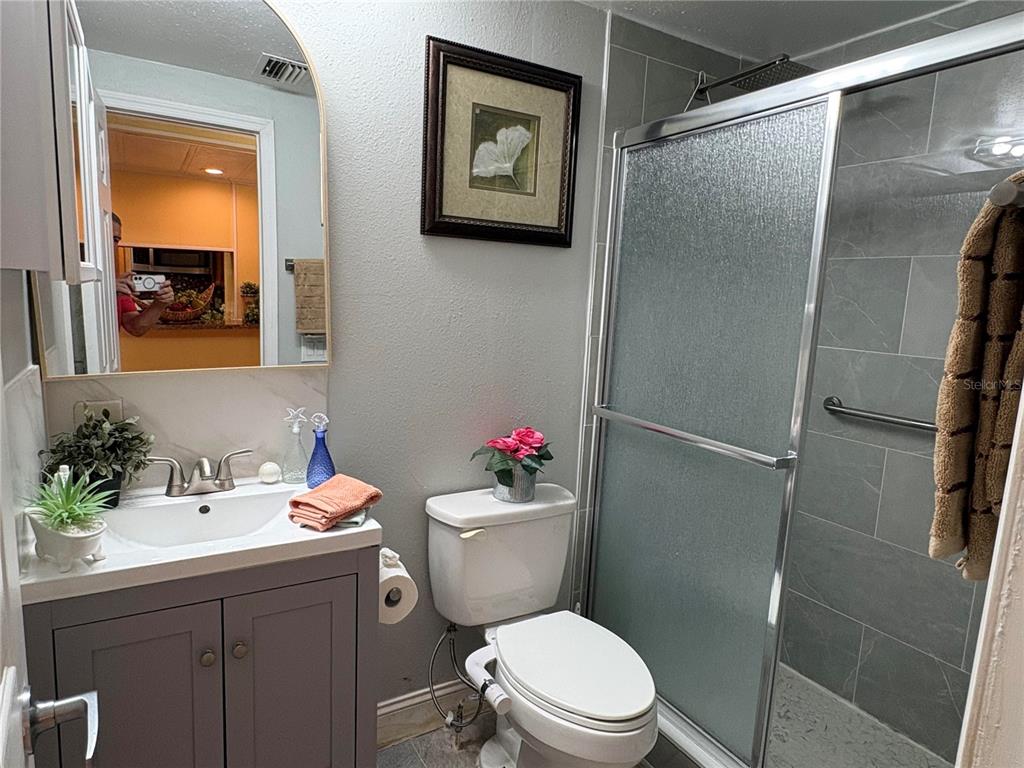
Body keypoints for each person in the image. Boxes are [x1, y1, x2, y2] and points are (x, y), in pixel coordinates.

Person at [112, 213, 174, 336]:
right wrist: (105, 289)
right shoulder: (73, 272)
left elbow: (136, 328)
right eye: (102, 236)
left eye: (115, 240)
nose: (110, 244)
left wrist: (159, 304)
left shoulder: (118, 284)